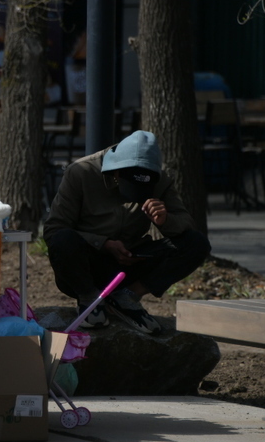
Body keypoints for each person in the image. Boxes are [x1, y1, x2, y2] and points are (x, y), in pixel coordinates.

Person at [44, 129, 210, 334]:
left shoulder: (161, 180)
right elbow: (53, 229)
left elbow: (185, 224)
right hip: (87, 264)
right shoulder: (81, 172)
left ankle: (127, 297)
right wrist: (103, 243)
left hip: (129, 264)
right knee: (62, 239)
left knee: (196, 243)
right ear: (115, 171)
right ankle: (89, 299)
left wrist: (165, 220)